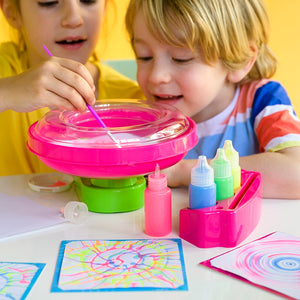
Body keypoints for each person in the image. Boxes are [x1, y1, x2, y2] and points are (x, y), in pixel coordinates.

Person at [125, 0, 300, 199]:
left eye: (181, 58)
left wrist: (185, 171)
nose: (157, 76)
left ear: (239, 62)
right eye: (144, 57)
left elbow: (296, 172)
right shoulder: (145, 116)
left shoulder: (262, 99)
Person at [0, 0, 143, 176]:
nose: (74, 19)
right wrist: (7, 92)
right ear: (12, 13)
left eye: (89, 0)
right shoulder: (4, 72)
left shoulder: (134, 101)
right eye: (49, 2)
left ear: (104, 7)